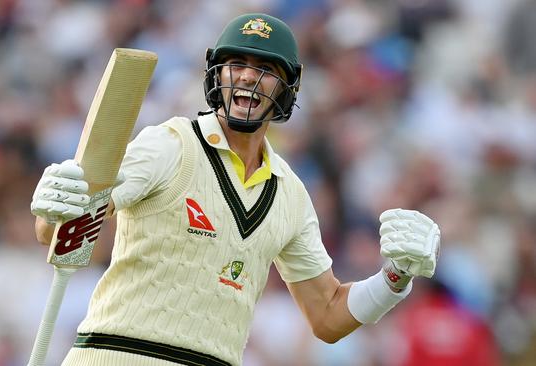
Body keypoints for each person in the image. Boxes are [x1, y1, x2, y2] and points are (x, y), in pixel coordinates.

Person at [30, 13, 441, 366]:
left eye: (265, 67)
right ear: (216, 74)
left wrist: (394, 276)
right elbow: (70, 229)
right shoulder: (170, 144)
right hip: (118, 355)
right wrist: (56, 210)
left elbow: (328, 316)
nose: (247, 75)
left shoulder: (290, 194)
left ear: (287, 88)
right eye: (236, 63)